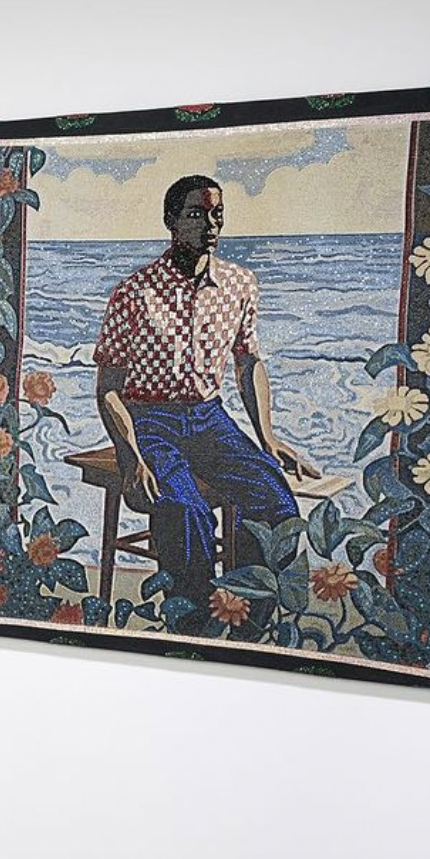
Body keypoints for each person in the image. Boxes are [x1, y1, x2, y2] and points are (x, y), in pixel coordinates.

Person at [94, 175, 318, 618]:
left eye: (217, 214)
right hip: (149, 420)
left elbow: (248, 363)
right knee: (185, 511)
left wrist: (268, 437)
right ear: (171, 221)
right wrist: (131, 455)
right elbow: (108, 390)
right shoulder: (133, 292)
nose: (210, 224)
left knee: (276, 502)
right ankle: (194, 622)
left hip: (210, 419)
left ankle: (251, 618)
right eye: (196, 214)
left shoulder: (239, 284)